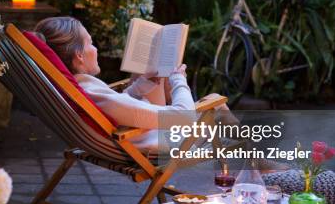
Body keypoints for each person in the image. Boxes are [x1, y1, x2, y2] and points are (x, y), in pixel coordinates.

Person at [33, 16, 236, 153]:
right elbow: (183, 117)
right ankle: (260, 167)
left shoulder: (80, 89)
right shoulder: (91, 93)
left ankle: (255, 164)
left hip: (131, 135)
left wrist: (142, 85)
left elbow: (117, 108)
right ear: (78, 56)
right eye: (91, 43)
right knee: (216, 103)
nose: (95, 49)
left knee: (157, 73)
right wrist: (179, 80)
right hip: (157, 141)